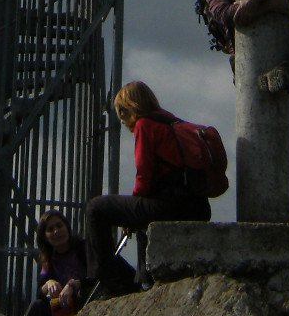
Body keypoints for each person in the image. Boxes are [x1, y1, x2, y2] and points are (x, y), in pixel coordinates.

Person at [85, 81, 212, 298]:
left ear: (128, 107)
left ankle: (108, 279)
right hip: (198, 206)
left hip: (170, 206)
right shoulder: (171, 121)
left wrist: (129, 215)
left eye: (121, 112)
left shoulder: (145, 125)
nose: (122, 119)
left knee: (96, 208)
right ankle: (142, 277)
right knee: (143, 212)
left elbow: (144, 176)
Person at [15, 210, 87, 316]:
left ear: (67, 227)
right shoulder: (48, 258)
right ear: (44, 236)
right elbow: (41, 292)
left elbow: (95, 275)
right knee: (37, 306)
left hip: (85, 303)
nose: (56, 231)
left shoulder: (83, 247)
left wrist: (73, 284)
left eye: (59, 226)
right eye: (50, 229)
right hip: (62, 313)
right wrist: (48, 283)